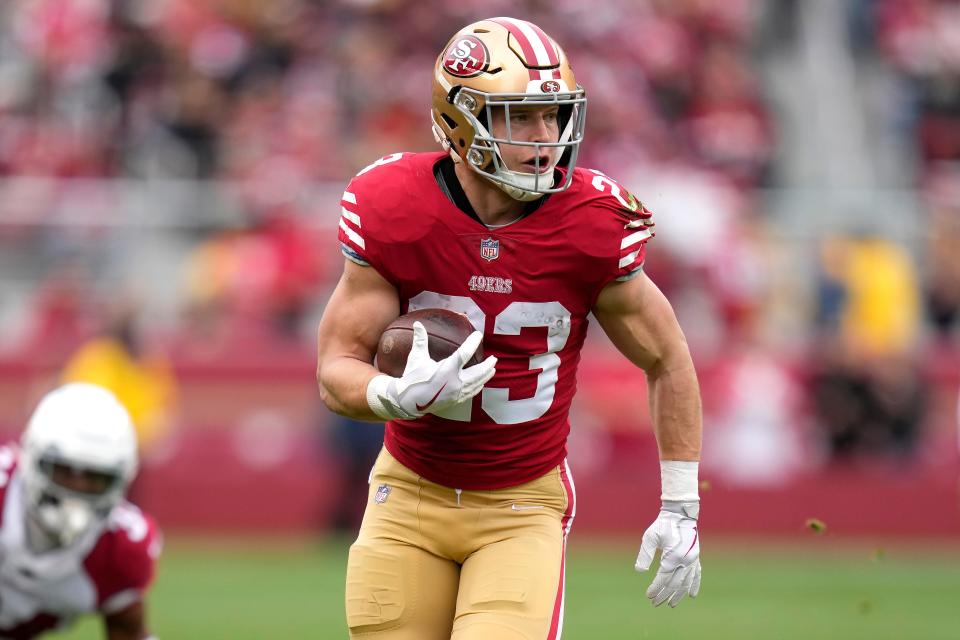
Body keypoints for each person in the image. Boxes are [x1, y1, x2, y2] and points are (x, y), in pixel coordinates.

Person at [316, 17, 702, 640]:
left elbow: (667, 358)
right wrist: (390, 396)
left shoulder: (590, 223)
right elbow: (336, 368)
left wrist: (681, 503)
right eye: (519, 117)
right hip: (408, 494)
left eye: (553, 115)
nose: (545, 137)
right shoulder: (394, 206)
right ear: (459, 120)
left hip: (519, 506)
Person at [0, 383, 161, 639]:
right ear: (31, 456)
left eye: (96, 478)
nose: (77, 490)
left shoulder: (119, 549)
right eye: (65, 472)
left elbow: (128, 630)